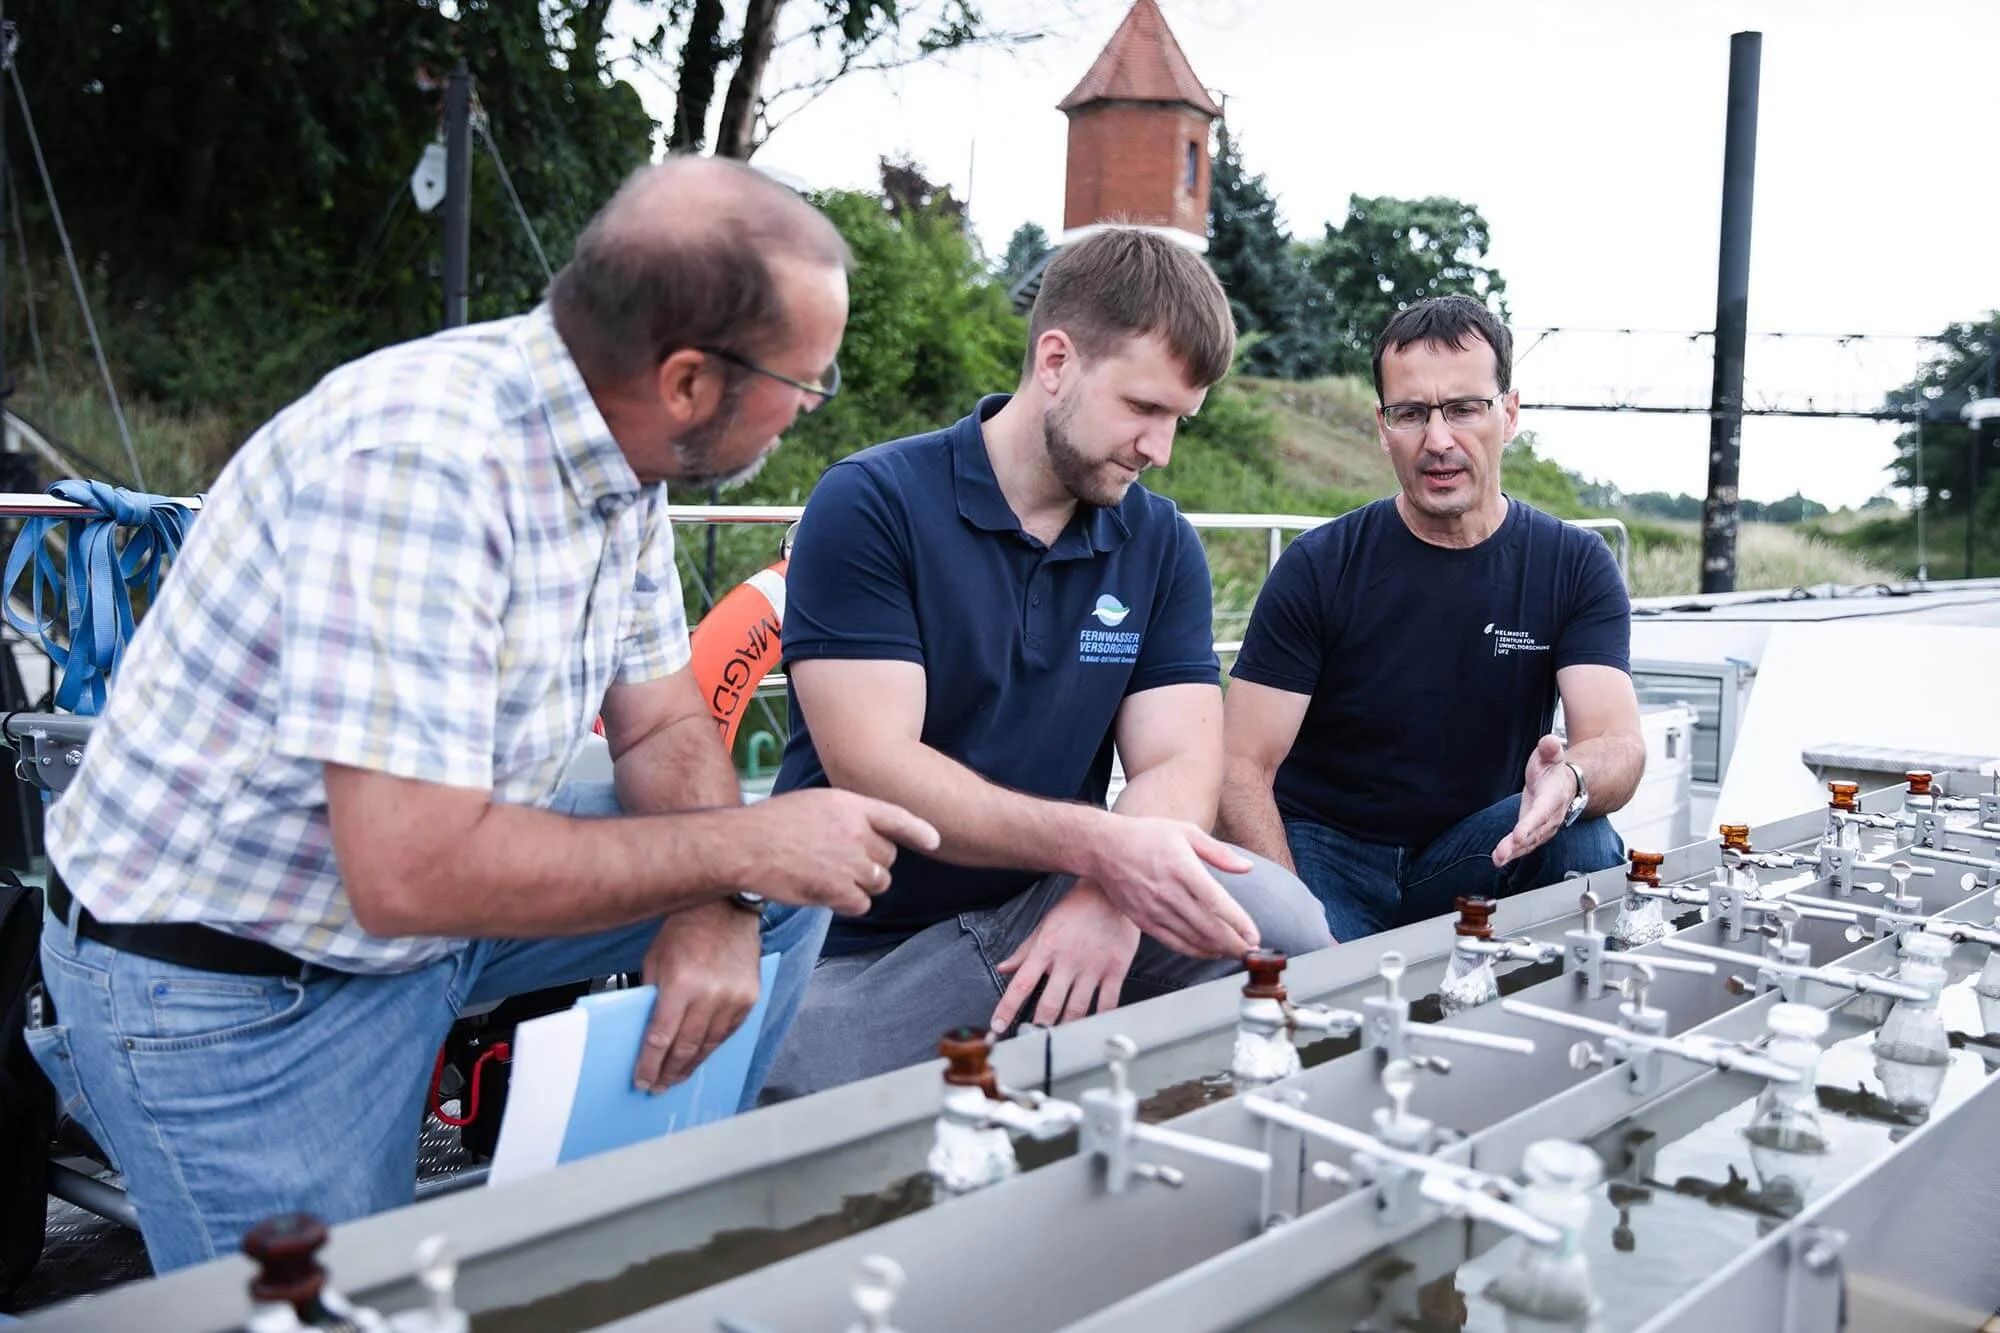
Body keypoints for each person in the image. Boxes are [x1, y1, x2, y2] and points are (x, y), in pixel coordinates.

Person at [26, 157, 938, 1272]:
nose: (810, 409)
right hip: (236, 972)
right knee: (325, 1305)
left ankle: (641, 1217)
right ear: (690, 380)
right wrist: (745, 842)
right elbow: (407, 870)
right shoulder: (422, 470)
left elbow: (659, 724)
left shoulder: (621, 456)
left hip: (407, 916)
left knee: (790, 888)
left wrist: (721, 893)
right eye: (808, 381)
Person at [762, 229, 1333, 1099]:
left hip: (1055, 905)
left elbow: (1182, 759)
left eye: (1180, 418)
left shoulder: (1160, 541)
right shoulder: (872, 503)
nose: (1160, 447)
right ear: (1056, 360)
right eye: (1143, 408)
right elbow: (877, 768)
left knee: (1286, 924)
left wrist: (1113, 894)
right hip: (866, 945)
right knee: (783, 1120)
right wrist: (1110, 853)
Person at [1217, 295, 1642, 942]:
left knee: (1582, 838)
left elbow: (1617, 742)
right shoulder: (1320, 566)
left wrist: (1571, 779)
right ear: (1382, 425)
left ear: (1510, 413)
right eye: (1411, 413)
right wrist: (1291, 914)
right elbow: (1239, 764)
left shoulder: (1572, 563)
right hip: (1327, 850)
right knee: (1300, 959)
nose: (1438, 440)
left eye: (1465, 408)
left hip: (1474, 846)